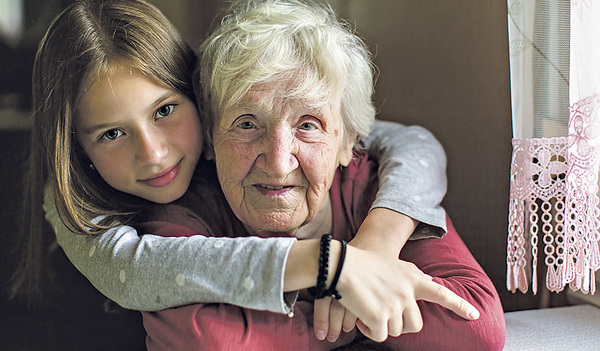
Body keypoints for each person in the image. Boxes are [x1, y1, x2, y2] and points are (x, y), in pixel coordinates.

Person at [11, 0, 480, 347]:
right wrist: (334, 268)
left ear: (197, 103)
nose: (153, 154)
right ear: (75, 148)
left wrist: (377, 242)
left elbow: (406, 141)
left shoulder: (344, 163)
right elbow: (139, 277)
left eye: (166, 110)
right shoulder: (93, 216)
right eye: (112, 134)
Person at [132, 0, 506, 349]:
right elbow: (205, 340)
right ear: (210, 138)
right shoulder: (185, 212)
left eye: (308, 125)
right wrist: (347, 303)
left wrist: (339, 305)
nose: (278, 163)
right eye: (247, 124)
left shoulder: (378, 194)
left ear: (348, 144)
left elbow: (476, 325)